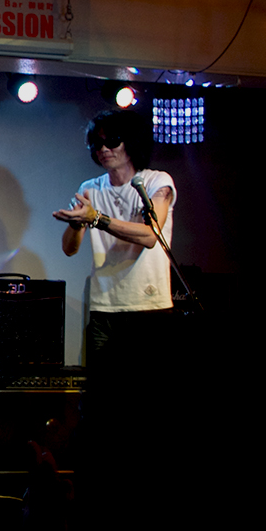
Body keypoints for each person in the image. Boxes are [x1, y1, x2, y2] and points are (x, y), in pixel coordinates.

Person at [52, 108, 176, 360]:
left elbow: (150, 236)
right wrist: (76, 224)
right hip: (104, 307)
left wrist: (97, 219)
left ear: (130, 142)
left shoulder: (156, 182)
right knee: (102, 383)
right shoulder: (90, 188)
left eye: (112, 141)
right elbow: (69, 249)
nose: (104, 149)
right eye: (97, 143)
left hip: (148, 305)